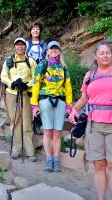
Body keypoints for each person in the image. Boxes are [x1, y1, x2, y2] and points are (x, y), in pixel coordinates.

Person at [69, 41, 112, 200]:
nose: (106, 55)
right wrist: (74, 110)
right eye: (102, 53)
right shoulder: (90, 75)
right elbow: (84, 98)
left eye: (108, 52)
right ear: (95, 56)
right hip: (94, 125)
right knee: (98, 165)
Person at [30, 41, 72, 172]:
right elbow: (36, 84)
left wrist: (69, 105)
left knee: (57, 132)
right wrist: (34, 104)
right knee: (48, 131)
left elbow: (68, 87)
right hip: (45, 100)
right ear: (47, 51)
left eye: (56, 49)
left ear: (59, 51)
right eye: (51, 49)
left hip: (60, 101)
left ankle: (56, 160)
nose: (54, 51)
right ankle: (49, 160)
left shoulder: (63, 68)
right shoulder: (42, 65)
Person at [0, 37, 37, 162]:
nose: (20, 47)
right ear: (15, 46)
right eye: (18, 45)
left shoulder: (31, 61)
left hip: (25, 93)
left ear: (25, 47)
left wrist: (28, 84)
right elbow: (3, 76)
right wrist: (12, 83)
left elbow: (36, 77)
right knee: (14, 120)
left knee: (27, 120)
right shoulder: (9, 61)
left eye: (22, 45)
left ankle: (30, 151)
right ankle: (16, 149)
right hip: (12, 93)